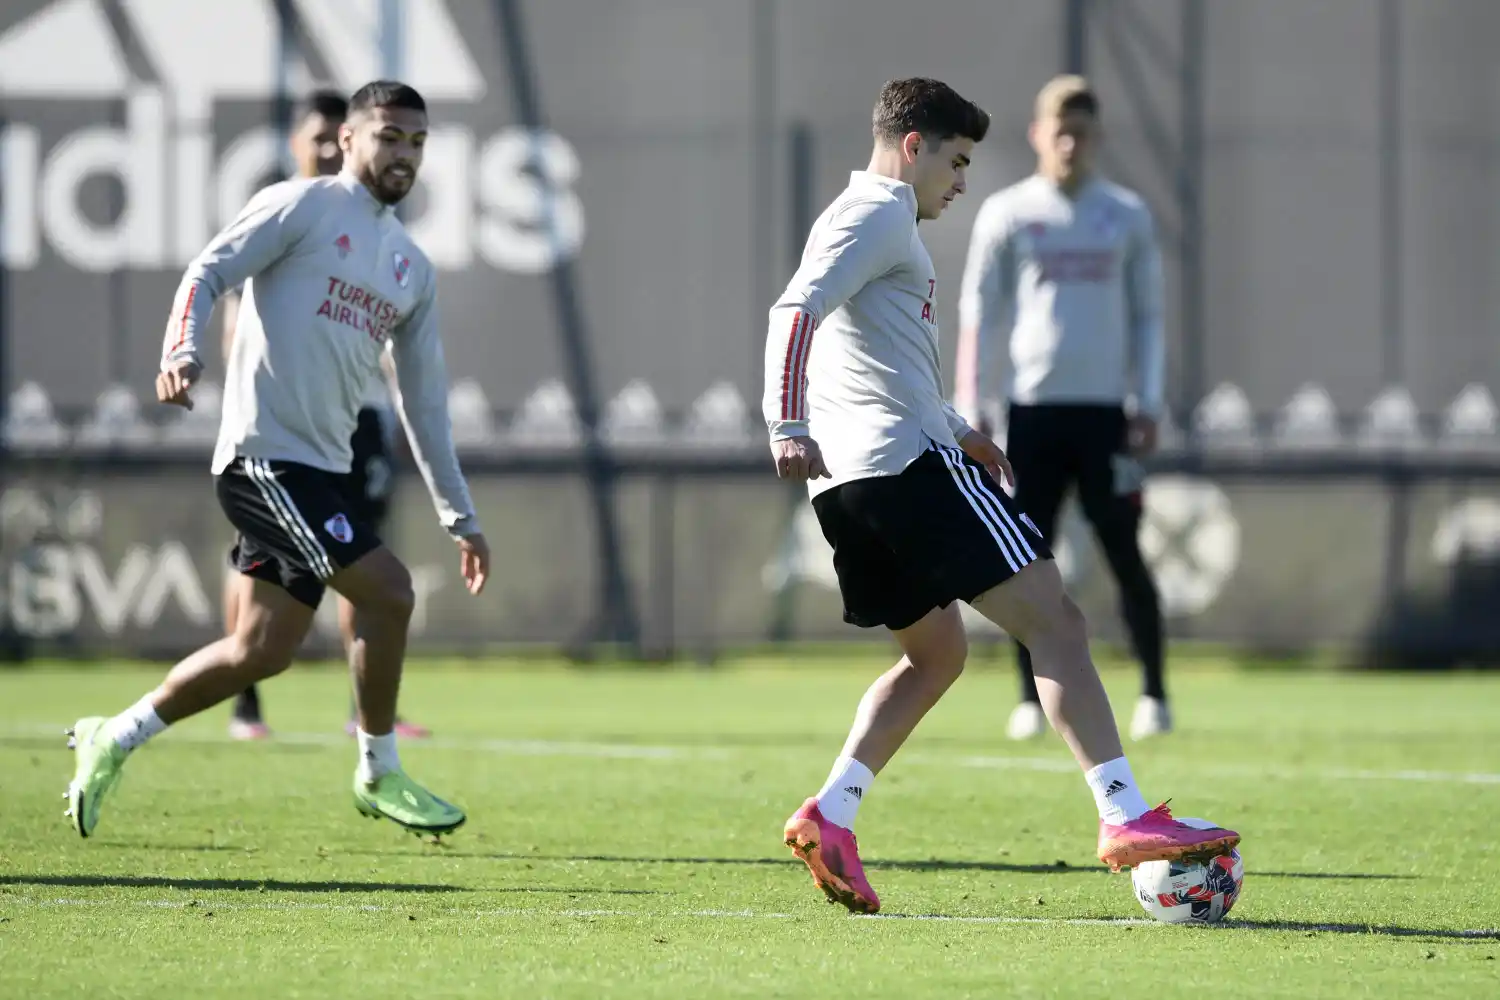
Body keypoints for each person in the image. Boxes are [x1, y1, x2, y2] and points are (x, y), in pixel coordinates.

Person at [763, 77, 1237, 914]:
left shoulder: (860, 216)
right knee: (1057, 622)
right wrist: (785, 422)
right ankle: (1124, 813)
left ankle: (831, 813)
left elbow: (876, 360)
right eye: (955, 161)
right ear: (914, 145)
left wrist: (959, 425)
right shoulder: (880, 214)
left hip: (847, 487)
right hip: (903, 468)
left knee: (936, 655)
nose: (961, 182)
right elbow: (794, 311)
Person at [63, 81, 488, 840]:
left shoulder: (410, 267)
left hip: (321, 471)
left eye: (418, 142)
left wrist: (460, 516)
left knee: (259, 651)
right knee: (390, 592)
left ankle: (113, 735)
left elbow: (425, 406)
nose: (404, 154)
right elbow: (208, 270)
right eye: (389, 136)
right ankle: (379, 769)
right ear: (349, 138)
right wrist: (180, 349)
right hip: (263, 462)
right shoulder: (302, 206)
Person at [955, 75, 1171, 743]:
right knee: (1025, 563)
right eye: (1059, 132)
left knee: (1125, 552)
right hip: (1032, 417)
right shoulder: (1009, 213)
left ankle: (1154, 693)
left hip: (1105, 418)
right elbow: (979, 312)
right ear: (1037, 135)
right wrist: (971, 405)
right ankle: (1029, 699)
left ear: (1097, 137)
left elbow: (1149, 315)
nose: (1070, 144)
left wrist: (1147, 400)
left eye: (1081, 132)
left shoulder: (1126, 215)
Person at [216, 89, 431, 743]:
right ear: (306, 143)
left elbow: (387, 335)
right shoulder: (289, 213)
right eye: (317, 137)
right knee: (270, 581)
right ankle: (247, 706)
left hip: (354, 426)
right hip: (279, 433)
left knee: (362, 561)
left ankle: (364, 709)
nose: (328, 150)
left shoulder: (379, 234)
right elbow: (232, 316)